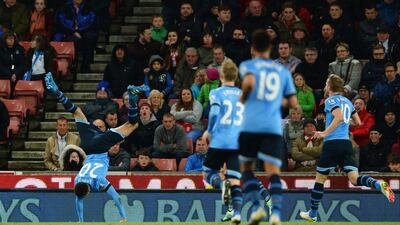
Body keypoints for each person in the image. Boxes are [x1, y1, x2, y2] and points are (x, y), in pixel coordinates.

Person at [44, 71, 148, 222]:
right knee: (77, 112)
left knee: (133, 124)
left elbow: (116, 198)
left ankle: (132, 98)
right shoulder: (77, 179)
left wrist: (124, 217)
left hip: (100, 146)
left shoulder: (98, 181)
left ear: (87, 193)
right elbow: (77, 199)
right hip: (87, 144)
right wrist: (79, 221)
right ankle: (58, 92)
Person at [299, 74, 395, 222]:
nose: (325, 86)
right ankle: (378, 184)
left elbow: (338, 117)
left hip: (332, 144)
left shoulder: (331, 100)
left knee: (320, 179)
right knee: (354, 179)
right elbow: (357, 122)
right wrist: (343, 120)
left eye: (326, 83)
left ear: (330, 86)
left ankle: (312, 213)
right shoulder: (348, 102)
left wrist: (324, 132)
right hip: (345, 144)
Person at [239, 29, 298, 225]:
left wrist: (243, 99)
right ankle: (276, 214)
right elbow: (293, 102)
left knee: (246, 168)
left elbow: (248, 85)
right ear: (271, 48)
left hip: (251, 124)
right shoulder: (283, 71)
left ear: (253, 48)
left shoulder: (247, 66)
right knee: (273, 172)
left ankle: (256, 208)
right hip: (272, 127)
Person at [201, 60, 245, 224]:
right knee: (235, 180)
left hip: (220, 140)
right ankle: (237, 214)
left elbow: (213, 113)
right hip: (237, 142)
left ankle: (221, 185)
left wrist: (209, 131)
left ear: (221, 75)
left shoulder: (216, 92)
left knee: (207, 173)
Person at [54, 0, 97, 73]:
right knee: (74, 40)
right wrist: (73, 32)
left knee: (90, 37)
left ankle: (85, 66)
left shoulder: (89, 7)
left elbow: (92, 23)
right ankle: (73, 66)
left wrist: (79, 31)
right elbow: (61, 23)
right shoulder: (64, 7)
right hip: (68, 32)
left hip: (84, 31)